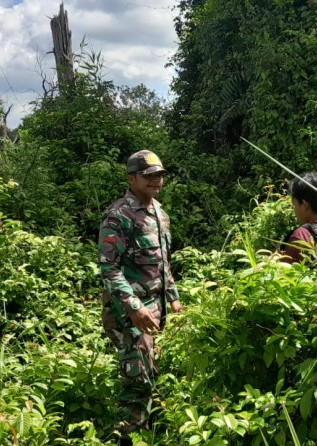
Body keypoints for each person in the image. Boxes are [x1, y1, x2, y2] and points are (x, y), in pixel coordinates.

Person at [98, 149, 182, 443]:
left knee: (154, 375)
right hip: (130, 313)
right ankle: (127, 438)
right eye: (148, 176)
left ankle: (152, 433)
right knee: (137, 382)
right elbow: (109, 267)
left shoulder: (159, 212)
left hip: (157, 311)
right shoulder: (118, 215)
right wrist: (133, 307)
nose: (155, 180)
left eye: (159, 175)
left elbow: (164, 264)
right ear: (131, 178)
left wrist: (174, 299)